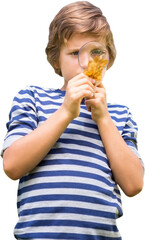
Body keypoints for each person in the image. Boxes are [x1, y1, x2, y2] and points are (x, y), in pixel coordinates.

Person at [2, 1, 144, 239]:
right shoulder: (32, 99)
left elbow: (133, 185)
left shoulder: (120, 114)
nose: (86, 63)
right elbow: (12, 166)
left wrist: (104, 119)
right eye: (75, 53)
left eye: (96, 52)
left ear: (108, 59)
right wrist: (66, 111)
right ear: (56, 59)